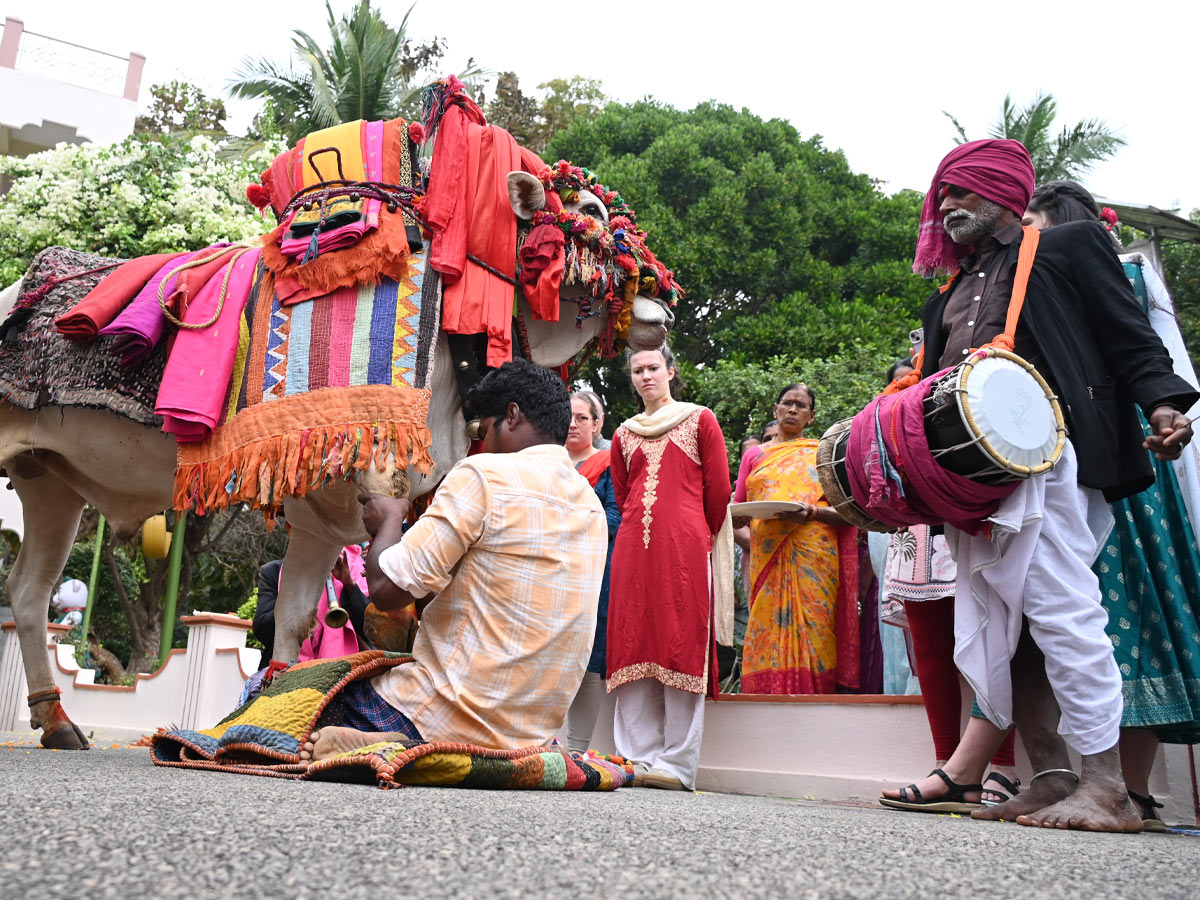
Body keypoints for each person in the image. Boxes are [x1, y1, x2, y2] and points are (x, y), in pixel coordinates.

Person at [892, 139, 1196, 832]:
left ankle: (1109, 788)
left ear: (1003, 191)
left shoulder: (1065, 247)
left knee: (1061, 610)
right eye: (943, 194)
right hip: (976, 479)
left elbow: (1128, 337)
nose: (946, 205)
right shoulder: (953, 291)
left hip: (1049, 459)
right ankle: (1053, 775)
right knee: (1005, 630)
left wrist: (1162, 404)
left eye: (962, 191)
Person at [299, 359, 607, 761]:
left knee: (280, 697)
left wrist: (390, 519)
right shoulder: (590, 505)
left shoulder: (483, 475)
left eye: (482, 428)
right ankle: (423, 750)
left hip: (446, 713)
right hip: (532, 734)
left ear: (511, 415)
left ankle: (402, 744)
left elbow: (387, 591)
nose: (482, 442)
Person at [1023, 181, 1200, 831]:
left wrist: (1163, 407)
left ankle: (1126, 791)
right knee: (1057, 616)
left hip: (1117, 459)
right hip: (1052, 460)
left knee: (1126, 611)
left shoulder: (1089, 259)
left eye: (1030, 220)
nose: (1021, 234)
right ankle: (1065, 779)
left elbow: (1135, 349)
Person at [606, 344, 731, 790]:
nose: (645, 376)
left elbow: (718, 492)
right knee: (634, 642)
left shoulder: (700, 420)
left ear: (670, 371)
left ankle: (677, 765)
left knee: (681, 642)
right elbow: (623, 496)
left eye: (653, 368)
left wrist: (693, 534)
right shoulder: (623, 433)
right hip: (633, 550)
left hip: (685, 549)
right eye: (637, 370)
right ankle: (637, 758)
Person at [731, 384, 861, 693]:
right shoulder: (754, 456)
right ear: (774, 410)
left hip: (816, 558)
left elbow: (848, 513)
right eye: (787, 403)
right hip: (767, 560)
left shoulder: (823, 454)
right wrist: (757, 535)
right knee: (766, 631)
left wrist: (812, 514)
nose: (792, 409)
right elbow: (736, 516)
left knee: (817, 630)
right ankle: (766, 703)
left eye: (800, 405)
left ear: (812, 416)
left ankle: (818, 700)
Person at [564, 390, 621, 752]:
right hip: (542, 572)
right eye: (568, 416)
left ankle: (576, 750)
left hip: (590, 574)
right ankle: (535, 744)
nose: (573, 423)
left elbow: (615, 518)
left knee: (586, 663)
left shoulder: (608, 464)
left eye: (582, 418)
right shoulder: (543, 461)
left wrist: (564, 526)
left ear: (597, 424)